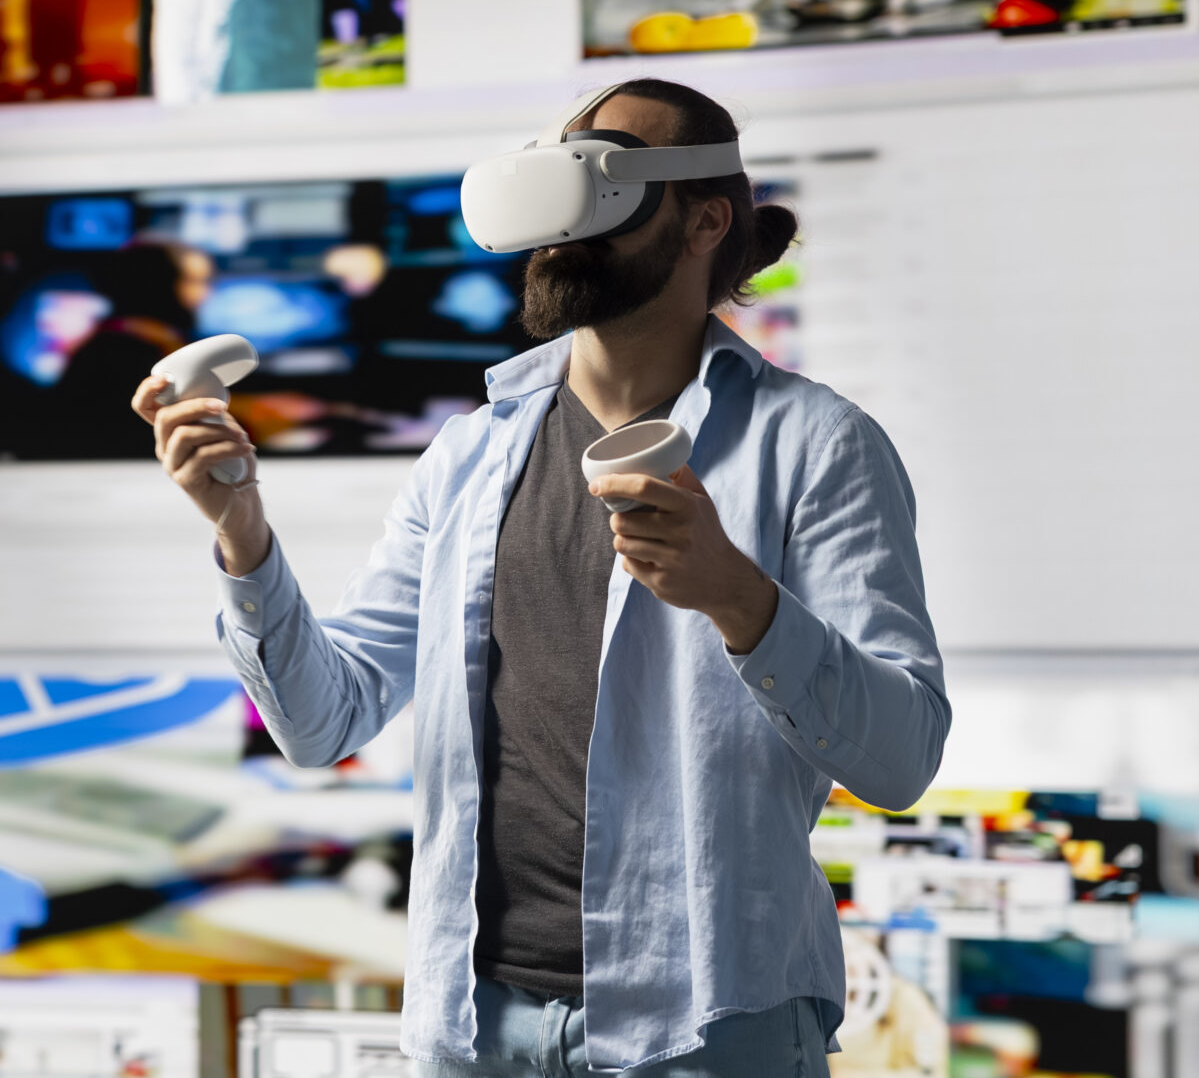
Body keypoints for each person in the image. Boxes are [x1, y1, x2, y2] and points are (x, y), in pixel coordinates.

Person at [131, 79, 949, 1076]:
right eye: (549, 171)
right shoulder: (470, 455)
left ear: (702, 223)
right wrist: (240, 531)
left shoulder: (817, 445)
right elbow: (322, 722)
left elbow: (900, 757)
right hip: (478, 1029)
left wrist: (736, 595)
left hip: (707, 1028)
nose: (557, 218)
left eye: (596, 176)